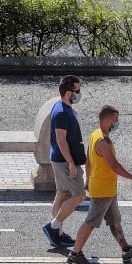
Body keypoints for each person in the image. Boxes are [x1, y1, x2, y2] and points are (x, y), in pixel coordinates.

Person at [67, 105, 132, 264]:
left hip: (107, 189)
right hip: (103, 191)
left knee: (115, 221)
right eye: (116, 120)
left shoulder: (95, 134)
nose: (117, 123)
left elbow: (89, 161)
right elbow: (114, 166)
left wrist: (88, 180)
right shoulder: (102, 141)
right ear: (108, 120)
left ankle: (126, 250)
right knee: (90, 222)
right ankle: (75, 254)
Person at [42, 75, 86, 247]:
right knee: (79, 195)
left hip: (60, 159)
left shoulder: (61, 107)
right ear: (69, 93)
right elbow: (61, 140)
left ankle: (57, 234)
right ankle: (53, 227)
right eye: (77, 91)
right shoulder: (61, 112)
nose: (79, 94)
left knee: (62, 194)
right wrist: (70, 163)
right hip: (64, 161)